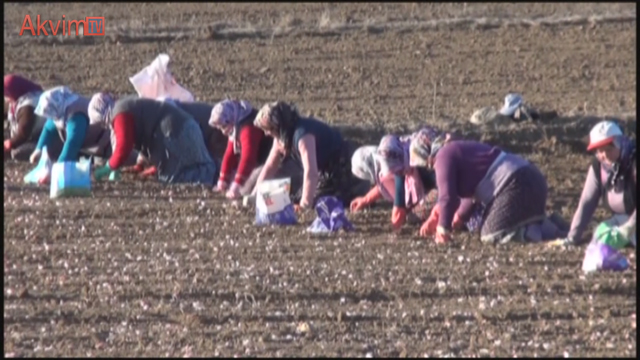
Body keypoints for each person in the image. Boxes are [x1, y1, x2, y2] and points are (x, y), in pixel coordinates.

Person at [408, 130, 567, 244]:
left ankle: (539, 232)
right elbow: (467, 198)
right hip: (532, 177)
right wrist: (459, 218)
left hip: (516, 183)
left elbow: (447, 197)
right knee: (501, 223)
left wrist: (442, 230)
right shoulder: (456, 149)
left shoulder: (443, 156)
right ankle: (550, 224)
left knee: (491, 234)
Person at [252, 101, 367, 209]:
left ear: (279, 126)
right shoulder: (281, 138)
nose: (266, 134)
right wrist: (256, 193)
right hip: (324, 171)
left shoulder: (303, 135)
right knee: (293, 197)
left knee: (319, 202)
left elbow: (311, 172)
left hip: (342, 168)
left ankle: (356, 192)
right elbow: (270, 166)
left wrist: (304, 205)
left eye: (269, 129)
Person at [88, 93, 218, 185]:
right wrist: (140, 165)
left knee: (174, 178)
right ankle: (221, 175)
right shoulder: (128, 106)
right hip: (186, 128)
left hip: (176, 133)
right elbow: (146, 134)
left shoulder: (120, 112)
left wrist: (108, 167)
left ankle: (220, 177)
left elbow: (124, 146)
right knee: (195, 165)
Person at [350, 141, 483, 231]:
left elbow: (398, 210)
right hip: (452, 181)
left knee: (414, 216)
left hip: (445, 189)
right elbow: (385, 187)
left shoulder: (393, 167)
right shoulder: (392, 155)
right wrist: (366, 199)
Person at [563, 120, 636, 247]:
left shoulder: (634, 162)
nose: (605, 155)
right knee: (599, 235)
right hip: (621, 221)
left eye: (609, 149)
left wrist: (630, 227)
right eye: (600, 151)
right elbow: (587, 202)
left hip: (632, 222)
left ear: (620, 144)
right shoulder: (599, 167)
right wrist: (572, 237)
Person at [208, 99, 290, 200]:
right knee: (238, 177)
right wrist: (222, 181)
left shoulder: (249, 128)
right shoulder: (236, 124)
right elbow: (230, 154)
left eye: (224, 126)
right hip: (262, 161)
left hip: (275, 162)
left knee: (246, 188)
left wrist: (236, 186)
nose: (223, 131)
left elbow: (248, 158)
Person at [28, 86, 112, 183]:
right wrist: (39, 149)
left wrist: (58, 167)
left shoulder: (76, 115)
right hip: (87, 144)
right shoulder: (60, 109)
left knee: (104, 163)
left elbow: (73, 142)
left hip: (103, 140)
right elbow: (48, 129)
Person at [3, 74, 63, 161]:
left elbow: (23, 134)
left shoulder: (28, 106)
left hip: (43, 138)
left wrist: (10, 143)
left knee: (18, 153)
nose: (5, 97)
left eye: (6, 94)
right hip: (32, 135)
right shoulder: (20, 97)